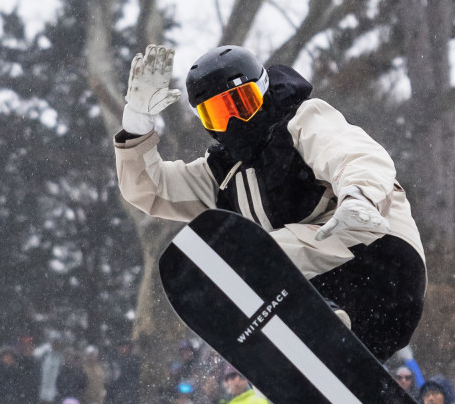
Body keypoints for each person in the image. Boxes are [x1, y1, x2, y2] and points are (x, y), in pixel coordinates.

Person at [114, 44, 426, 362]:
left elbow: (352, 152)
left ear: (262, 91)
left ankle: (320, 336)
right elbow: (151, 189)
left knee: (244, 260)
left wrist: (359, 196)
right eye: (219, 115)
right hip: (348, 304)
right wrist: (137, 124)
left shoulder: (302, 120)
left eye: (242, 103)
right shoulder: (222, 174)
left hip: (378, 257)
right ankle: (324, 362)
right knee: (233, 272)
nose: (234, 122)